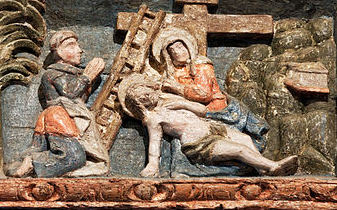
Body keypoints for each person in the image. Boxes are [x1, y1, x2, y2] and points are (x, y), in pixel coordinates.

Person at [119, 74, 298, 178]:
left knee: (245, 139)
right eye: (145, 98)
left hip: (212, 127)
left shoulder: (171, 103)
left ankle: (262, 170)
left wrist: (183, 104)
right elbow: (154, 142)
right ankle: (272, 167)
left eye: (149, 92)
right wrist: (152, 166)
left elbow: (202, 110)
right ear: (140, 105)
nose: (150, 97)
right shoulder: (153, 118)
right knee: (239, 151)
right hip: (199, 141)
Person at [10, 30, 109, 177]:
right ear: (59, 52)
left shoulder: (71, 74)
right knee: (74, 157)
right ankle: (33, 162)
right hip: (59, 117)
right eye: (71, 46)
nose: (79, 49)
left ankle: (20, 164)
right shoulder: (52, 73)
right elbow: (70, 92)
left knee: (40, 148)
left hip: (59, 116)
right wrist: (88, 76)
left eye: (77, 45)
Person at [152, 27, 268, 150]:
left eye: (180, 47)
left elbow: (204, 94)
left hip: (213, 107)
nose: (176, 52)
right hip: (189, 109)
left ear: (188, 47)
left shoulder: (201, 64)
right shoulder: (173, 71)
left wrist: (177, 88)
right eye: (172, 50)